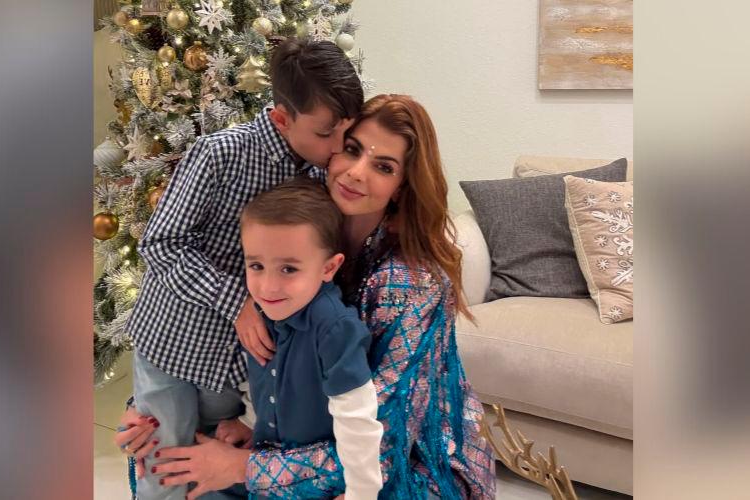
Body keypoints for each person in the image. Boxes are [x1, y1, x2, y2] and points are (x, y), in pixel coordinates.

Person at [150, 95, 497, 499]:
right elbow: (203, 322)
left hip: (406, 463)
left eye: (383, 167)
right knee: (170, 458)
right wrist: (151, 408)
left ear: (402, 187)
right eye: (351, 150)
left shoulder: (411, 284)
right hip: (301, 435)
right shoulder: (296, 215)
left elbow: (383, 445)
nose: (355, 173)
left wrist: (243, 467)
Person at [112, 38, 363, 500]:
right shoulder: (220, 154)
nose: (337, 149)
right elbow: (161, 243)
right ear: (283, 118)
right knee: (165, 472)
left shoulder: (320, 175)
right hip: (172, 347)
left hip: (240, 367)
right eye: (326, 133)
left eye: (344, 135)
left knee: (218, 471)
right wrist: (238, 302)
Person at [238, 178, 384, 499]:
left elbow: (357, 418)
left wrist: (361, 493)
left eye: (288, 269)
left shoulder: (334, 327)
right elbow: (264, 379)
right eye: (256, 266)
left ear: (329, 268)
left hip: (316, 482)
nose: (268, 286)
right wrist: (248, 422)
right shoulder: (265, 310)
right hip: (269, 469)